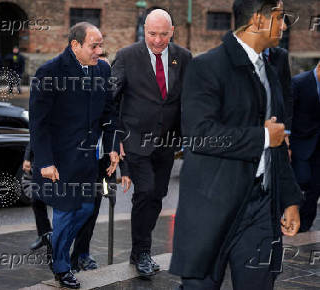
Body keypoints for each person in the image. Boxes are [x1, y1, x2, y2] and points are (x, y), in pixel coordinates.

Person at [169, 1, 302, 289]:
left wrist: (290, 199)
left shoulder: (271, 68)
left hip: (261, 207)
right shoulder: (206, 66)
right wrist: (262, 137)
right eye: (278, 17)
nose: (283, 25)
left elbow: (279, 141)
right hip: (212, 208)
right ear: (257, 20)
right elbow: (199, 134)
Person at [29, 22, 120, 288]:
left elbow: (109, 114)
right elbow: (38, 124)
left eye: (101, 45)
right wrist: (44, 161)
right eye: (94, 45)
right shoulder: (49, 72)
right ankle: (61, 266)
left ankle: (57, 246)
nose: (100, 51)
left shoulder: (103, 69)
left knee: (86, 210)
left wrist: (113, 146)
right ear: (75, 45)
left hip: (88, 160)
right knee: (66, 213)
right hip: (59, 161)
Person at [111, 9, 191, 277]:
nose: (158, 40)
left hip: (167, 142)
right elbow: (110, 100)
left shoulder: (184, 57)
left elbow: (189, 100)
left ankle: (139, 251)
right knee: (144, 192)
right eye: (152, 34)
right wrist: (115, 138)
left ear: (173, 32)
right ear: (144, 30)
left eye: (163, 34)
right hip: (135, 141)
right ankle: (142, 252)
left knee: (157, 195)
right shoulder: (126, 57)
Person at [290, 61, 320, 232]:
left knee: (316, 186)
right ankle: (291, 217)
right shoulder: (299, 82)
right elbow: (289, 113)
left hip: (318, 147)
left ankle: (306, 224)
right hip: (300, 143)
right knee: (302, 180)